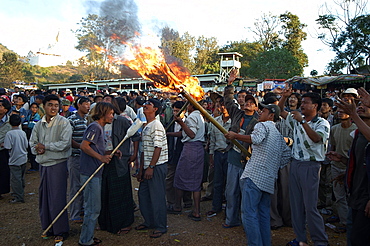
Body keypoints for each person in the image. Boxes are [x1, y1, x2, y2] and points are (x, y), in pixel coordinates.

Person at [225, 103, 291, 246]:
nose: (260, 112)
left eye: (264, 111)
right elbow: (286, 155)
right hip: (268, 179)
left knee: (249, 214)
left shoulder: (262, 126)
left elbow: (255, 139)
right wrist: (271, 165)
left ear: (271, 115)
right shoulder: (278, 133)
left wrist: (235, 135)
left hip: (254, 176)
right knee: (263, 214)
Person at [278, 86, 330, 246]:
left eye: (306, 103)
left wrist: (302, 121)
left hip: (311, 167)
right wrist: (284, 98)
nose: (302, 105)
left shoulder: (322, 123)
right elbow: (280, 111)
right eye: (302, 103)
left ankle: (320, 241)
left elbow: (316, 138)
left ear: (315, 106)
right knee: (296, 205)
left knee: (310, 207)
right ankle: (301, 239)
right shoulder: (296, 120)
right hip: (296, 164)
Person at [29, 94, 72, 243]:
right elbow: (33, 142)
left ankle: (60, 229)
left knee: (57, 198)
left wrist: (45, 147)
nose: (53, 108)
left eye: (56, 105)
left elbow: (65, 143)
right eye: (50, 105)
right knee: (44, 197)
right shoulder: (38, 124)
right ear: (44, 106)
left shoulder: (64, 123)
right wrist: (37, 149)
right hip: (43, 164)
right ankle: (47, 226)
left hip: (57, 164)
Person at [223, 70, 259, 228]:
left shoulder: (259, 121)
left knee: (246, 195)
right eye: (246, 101)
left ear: (257, 107)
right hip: (233, 158)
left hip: (248, 162)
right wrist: (230, 84)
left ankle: (247, 223)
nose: (247, 103)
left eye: (251, 102)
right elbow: (228, 101)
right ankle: (231, 220)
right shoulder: (237, 114)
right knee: (230, 193)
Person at [98, 105, 140, 235]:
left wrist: (133, 154)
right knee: (105, 192)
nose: (111, 115)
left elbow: (135, 136)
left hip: (120, 162)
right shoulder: (97, 124)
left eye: (112, 112)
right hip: (103, 161)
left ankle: (124, 223)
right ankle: (105, 221)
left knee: (120, 192)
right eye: (108, 113)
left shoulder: (122, 121)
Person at [78, 102, 116, 246]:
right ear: (103, 113)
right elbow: (84, 146)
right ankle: (85, 240)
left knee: (93, 208)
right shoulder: (95, 127)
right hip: (90, 173)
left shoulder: (99, 127)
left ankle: (88, 237)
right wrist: (101, 158)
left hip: (95, 172)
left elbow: (96, 148)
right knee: (92, 209)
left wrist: (109, 153)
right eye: (110, 113)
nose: (112, 116)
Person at [136, 98, 168, 238]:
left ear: (155, 109)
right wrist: (141, 169)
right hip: (148, 166)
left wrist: (151, 167)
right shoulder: (146, 125)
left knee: (157, 197)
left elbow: (158, 147)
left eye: (149, 104)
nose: (145, 105)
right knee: (143, 195)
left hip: (156, 166)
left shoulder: (156, 125)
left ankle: (161, 226)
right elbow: (144, 150)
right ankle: (149, 221)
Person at [171, 102, 205, 221]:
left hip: (191, 149)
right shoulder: (199, 115)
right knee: (195, 180)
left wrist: (181, 122)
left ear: (191, 106)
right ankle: (195, 210)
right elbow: (185, 133)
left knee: (180, 178)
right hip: (197, 149)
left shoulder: (192, 117)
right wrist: (169, 133)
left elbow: (191, 134)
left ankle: (178, 206)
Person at [326, 108, 357, 233]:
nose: (340, 113)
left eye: (343, 111)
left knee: (351, 196)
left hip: (351, 168)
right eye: (338, 111)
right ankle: (344, 221)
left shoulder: (355, 130)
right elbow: (333, 147)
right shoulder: (334, 129)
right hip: (336, 165)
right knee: (339, 196)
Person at [67, 97, 91, 223]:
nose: (88, 107)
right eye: (86, 104)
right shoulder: (71, 120)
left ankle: (82, 209)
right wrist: (81, 146)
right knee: (75, 186)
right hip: (75, 156)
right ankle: (75, 214)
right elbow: (68, 139)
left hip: (86, 157)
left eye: (89, 104)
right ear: (79, 105)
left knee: (85, 184)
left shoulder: (88, 119)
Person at [206, 97, 231, 217]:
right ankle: (216, 206)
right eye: (220, 105)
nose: (222, 108)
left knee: (230, 183)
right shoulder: (214, 121)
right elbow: (212, 140)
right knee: (217, 181)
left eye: (224, 105)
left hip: (229, 153)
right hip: (217, 153)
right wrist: (211, 156)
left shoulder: (235, 121)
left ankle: (229, 208)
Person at [4, 114, 28, 203]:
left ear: (10, 122)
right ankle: (21, 192)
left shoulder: (9, 134)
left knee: (15, 179)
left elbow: (7, 146)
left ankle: (18, 196)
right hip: (23, 157)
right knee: (21, 177)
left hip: (14, 159)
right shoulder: (22, 133)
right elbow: (26, 145)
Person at [23, 102, 41, 171]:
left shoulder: (37, 116)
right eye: (33, 107)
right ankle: (33, 166)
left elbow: (32, 125)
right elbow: (25, 124)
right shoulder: (29, 115)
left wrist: (28, 125)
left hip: (33, 134)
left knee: (33, 149)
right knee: (30, 150)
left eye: (36, 107)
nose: (34, 109)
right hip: (28, 133)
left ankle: (35, 167)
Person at [0, 98, 12, 199]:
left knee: (3, 170)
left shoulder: (9, 122)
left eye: (0, 106)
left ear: (6, 109)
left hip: (4, 150)